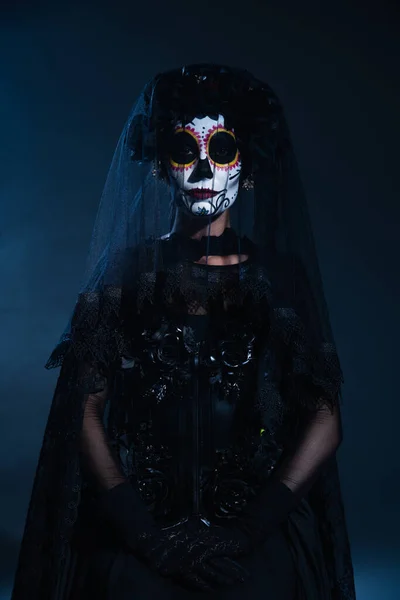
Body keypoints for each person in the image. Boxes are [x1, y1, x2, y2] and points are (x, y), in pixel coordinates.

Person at [11, 64, 356, 600]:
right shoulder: (125, 277)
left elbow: (324, 419)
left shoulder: (279, 282)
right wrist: (142, 532)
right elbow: (82, 408)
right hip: (141, 527)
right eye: (182, 149)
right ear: (158, 166)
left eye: (220, 149)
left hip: (255, 532)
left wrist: (248, 530)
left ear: (251, 166)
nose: (201, 169)